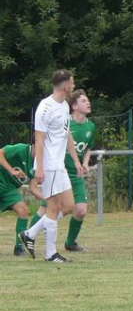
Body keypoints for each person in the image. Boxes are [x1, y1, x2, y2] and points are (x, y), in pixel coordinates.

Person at [20, 69, 84, 263]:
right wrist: (39, 168)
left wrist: (75, 160)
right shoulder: (45, 107)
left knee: (70, 205)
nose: (73, 86)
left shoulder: (64, 105)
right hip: (49, 165)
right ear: (65, 85)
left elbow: (66, 135)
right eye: (72, 83)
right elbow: (39, 139)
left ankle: (30, 234)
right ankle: (51, 253)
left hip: (60, 165)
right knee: (53, 207)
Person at [29, 90, 96, 252]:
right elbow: (41, 140)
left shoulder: (90, 126)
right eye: (83, 101)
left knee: (80, 210)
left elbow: (88, 148)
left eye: (88, 101)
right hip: (58, 169)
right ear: (74, 106)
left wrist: (84, 162)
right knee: (47, 208)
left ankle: (69, 243)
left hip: (75, 172)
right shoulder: (64, 121)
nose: (88, 103)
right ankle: (28, 239)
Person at [0, 143, 42, 255]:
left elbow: (33, 188)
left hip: (10, 189)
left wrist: (46, 198)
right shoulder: (20, 149)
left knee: (23, 210)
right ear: (35, 144)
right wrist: (11, 170)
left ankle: (19, 248)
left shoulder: (38, 163)